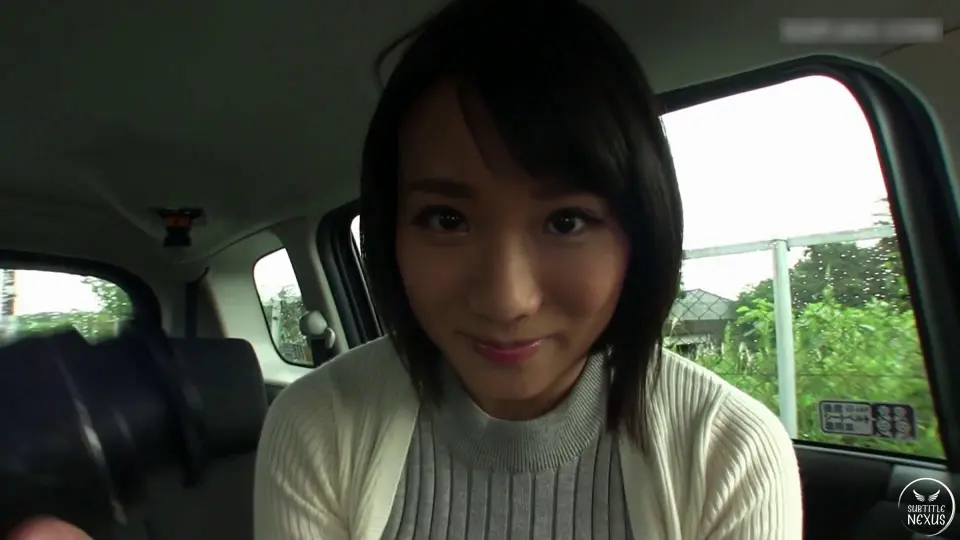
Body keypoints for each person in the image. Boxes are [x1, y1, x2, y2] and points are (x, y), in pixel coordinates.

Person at [9, 0, 803, 539]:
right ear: (392, 232)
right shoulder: (320, 427)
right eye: (447, 220)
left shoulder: (727, 453)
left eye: (566, 221)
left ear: (640, 231)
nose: (507, 298)